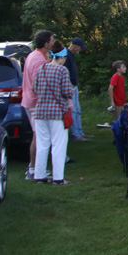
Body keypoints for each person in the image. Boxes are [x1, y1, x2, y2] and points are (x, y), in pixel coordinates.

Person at [32, 40, 76, 185]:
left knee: (42, 144)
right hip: (57, 113)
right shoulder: (62, 71)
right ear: (62, 57)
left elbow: (36, 89)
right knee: (59, 145)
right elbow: (66, 92)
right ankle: (58, 178)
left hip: (40, 112)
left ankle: (39, 175)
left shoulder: (41, 69)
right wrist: (71, 91)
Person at [22, 30, 54, 179]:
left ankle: (35, 168)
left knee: (39, 135)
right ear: (46, 44)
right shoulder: (38, 60)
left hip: (30, 100)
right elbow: (37, 84)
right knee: (39, 136)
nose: (53, 42)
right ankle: (33, 168)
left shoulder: (33, 55)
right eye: (52, 40)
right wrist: (44, 99)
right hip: (35, 103)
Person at [64, 37, 90, 141]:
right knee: (73, 110)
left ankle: (80, 132)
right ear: (75, 46)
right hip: (70, 86)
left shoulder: (71, 55)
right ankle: (76, 134)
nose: (80, 50)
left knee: (77, 110)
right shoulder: (66, 55)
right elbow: (64, 71)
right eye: (80, 47)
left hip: (74, 85)